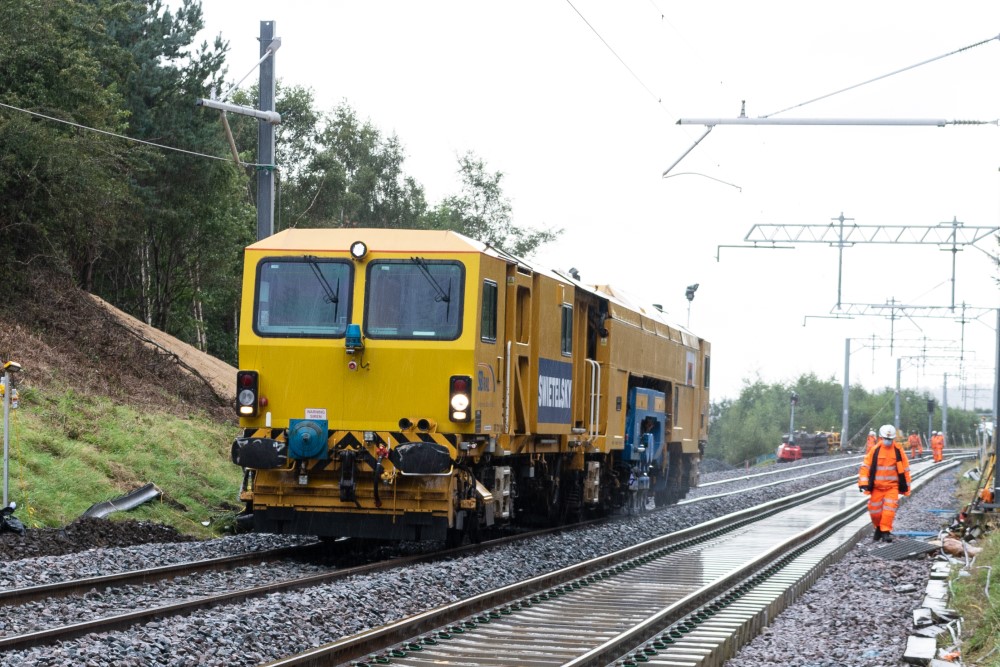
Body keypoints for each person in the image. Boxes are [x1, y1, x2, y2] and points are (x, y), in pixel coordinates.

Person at [859, 424, 912, 543]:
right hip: (877, 487)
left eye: (890, 439)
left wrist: (906, 487)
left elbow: (905, 469)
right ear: (881, 437)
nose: (888, 441)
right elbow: (865, 467)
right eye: (886, 439)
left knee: (889, 510)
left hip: (892, 487)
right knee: (874, 511)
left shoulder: (898, 451)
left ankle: (885, 531)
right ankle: (878, 527)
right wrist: (863, 483)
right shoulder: (875, 450)